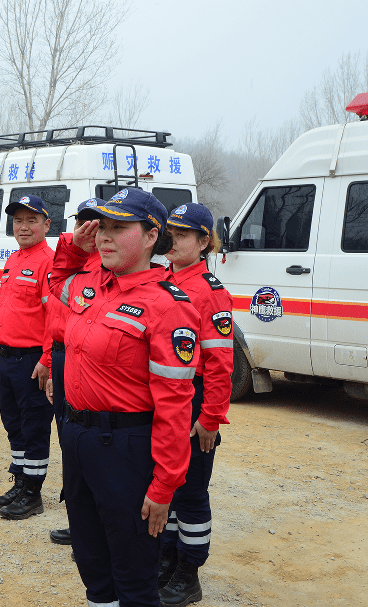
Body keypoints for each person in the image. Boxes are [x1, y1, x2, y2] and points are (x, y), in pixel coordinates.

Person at [49, 188, 201, 607]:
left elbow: (175, 404)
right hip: (78, 439)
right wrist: (73, 247)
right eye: (102, 228)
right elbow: (57, 283)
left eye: (119, 228)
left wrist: (164, 484)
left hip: (125, 452)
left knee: (133, 579)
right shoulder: (92, 285)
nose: (104, 237)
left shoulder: (169, 306)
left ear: (153, 236)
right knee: (93, 569)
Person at [157, 202, 233, 607]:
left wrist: (210, 418)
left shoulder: (211, 292)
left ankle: (189, 571)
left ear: (204, 242)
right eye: (170, 231)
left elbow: (220, 363)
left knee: (189, 491)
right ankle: (166, 557)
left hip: (195, 398)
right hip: (165, 395)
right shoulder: (159, 280)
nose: (173, 239)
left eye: (183, 234)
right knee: (164, 480)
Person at [0, 194, 54, 520]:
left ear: (46, 224)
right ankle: (19, 480)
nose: (23, 226)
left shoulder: (48, 262)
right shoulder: (14, 259)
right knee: (13, 422)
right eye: (18, 220)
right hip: (6, 357)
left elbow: (54, 318)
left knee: (34, 427)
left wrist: (47, 360)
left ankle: (32, 492)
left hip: (32, 361)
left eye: (31, 220)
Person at [45, 197, 103, 546]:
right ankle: (79, 515)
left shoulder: (110, 266)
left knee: (87, 439)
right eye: (83, 221)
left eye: (97, 222)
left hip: (88, 360)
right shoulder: (76, 263)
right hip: (64, 356)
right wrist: (52, 366)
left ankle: (94, 517)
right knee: (69, 439)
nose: (90, 229)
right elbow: (54, 319)